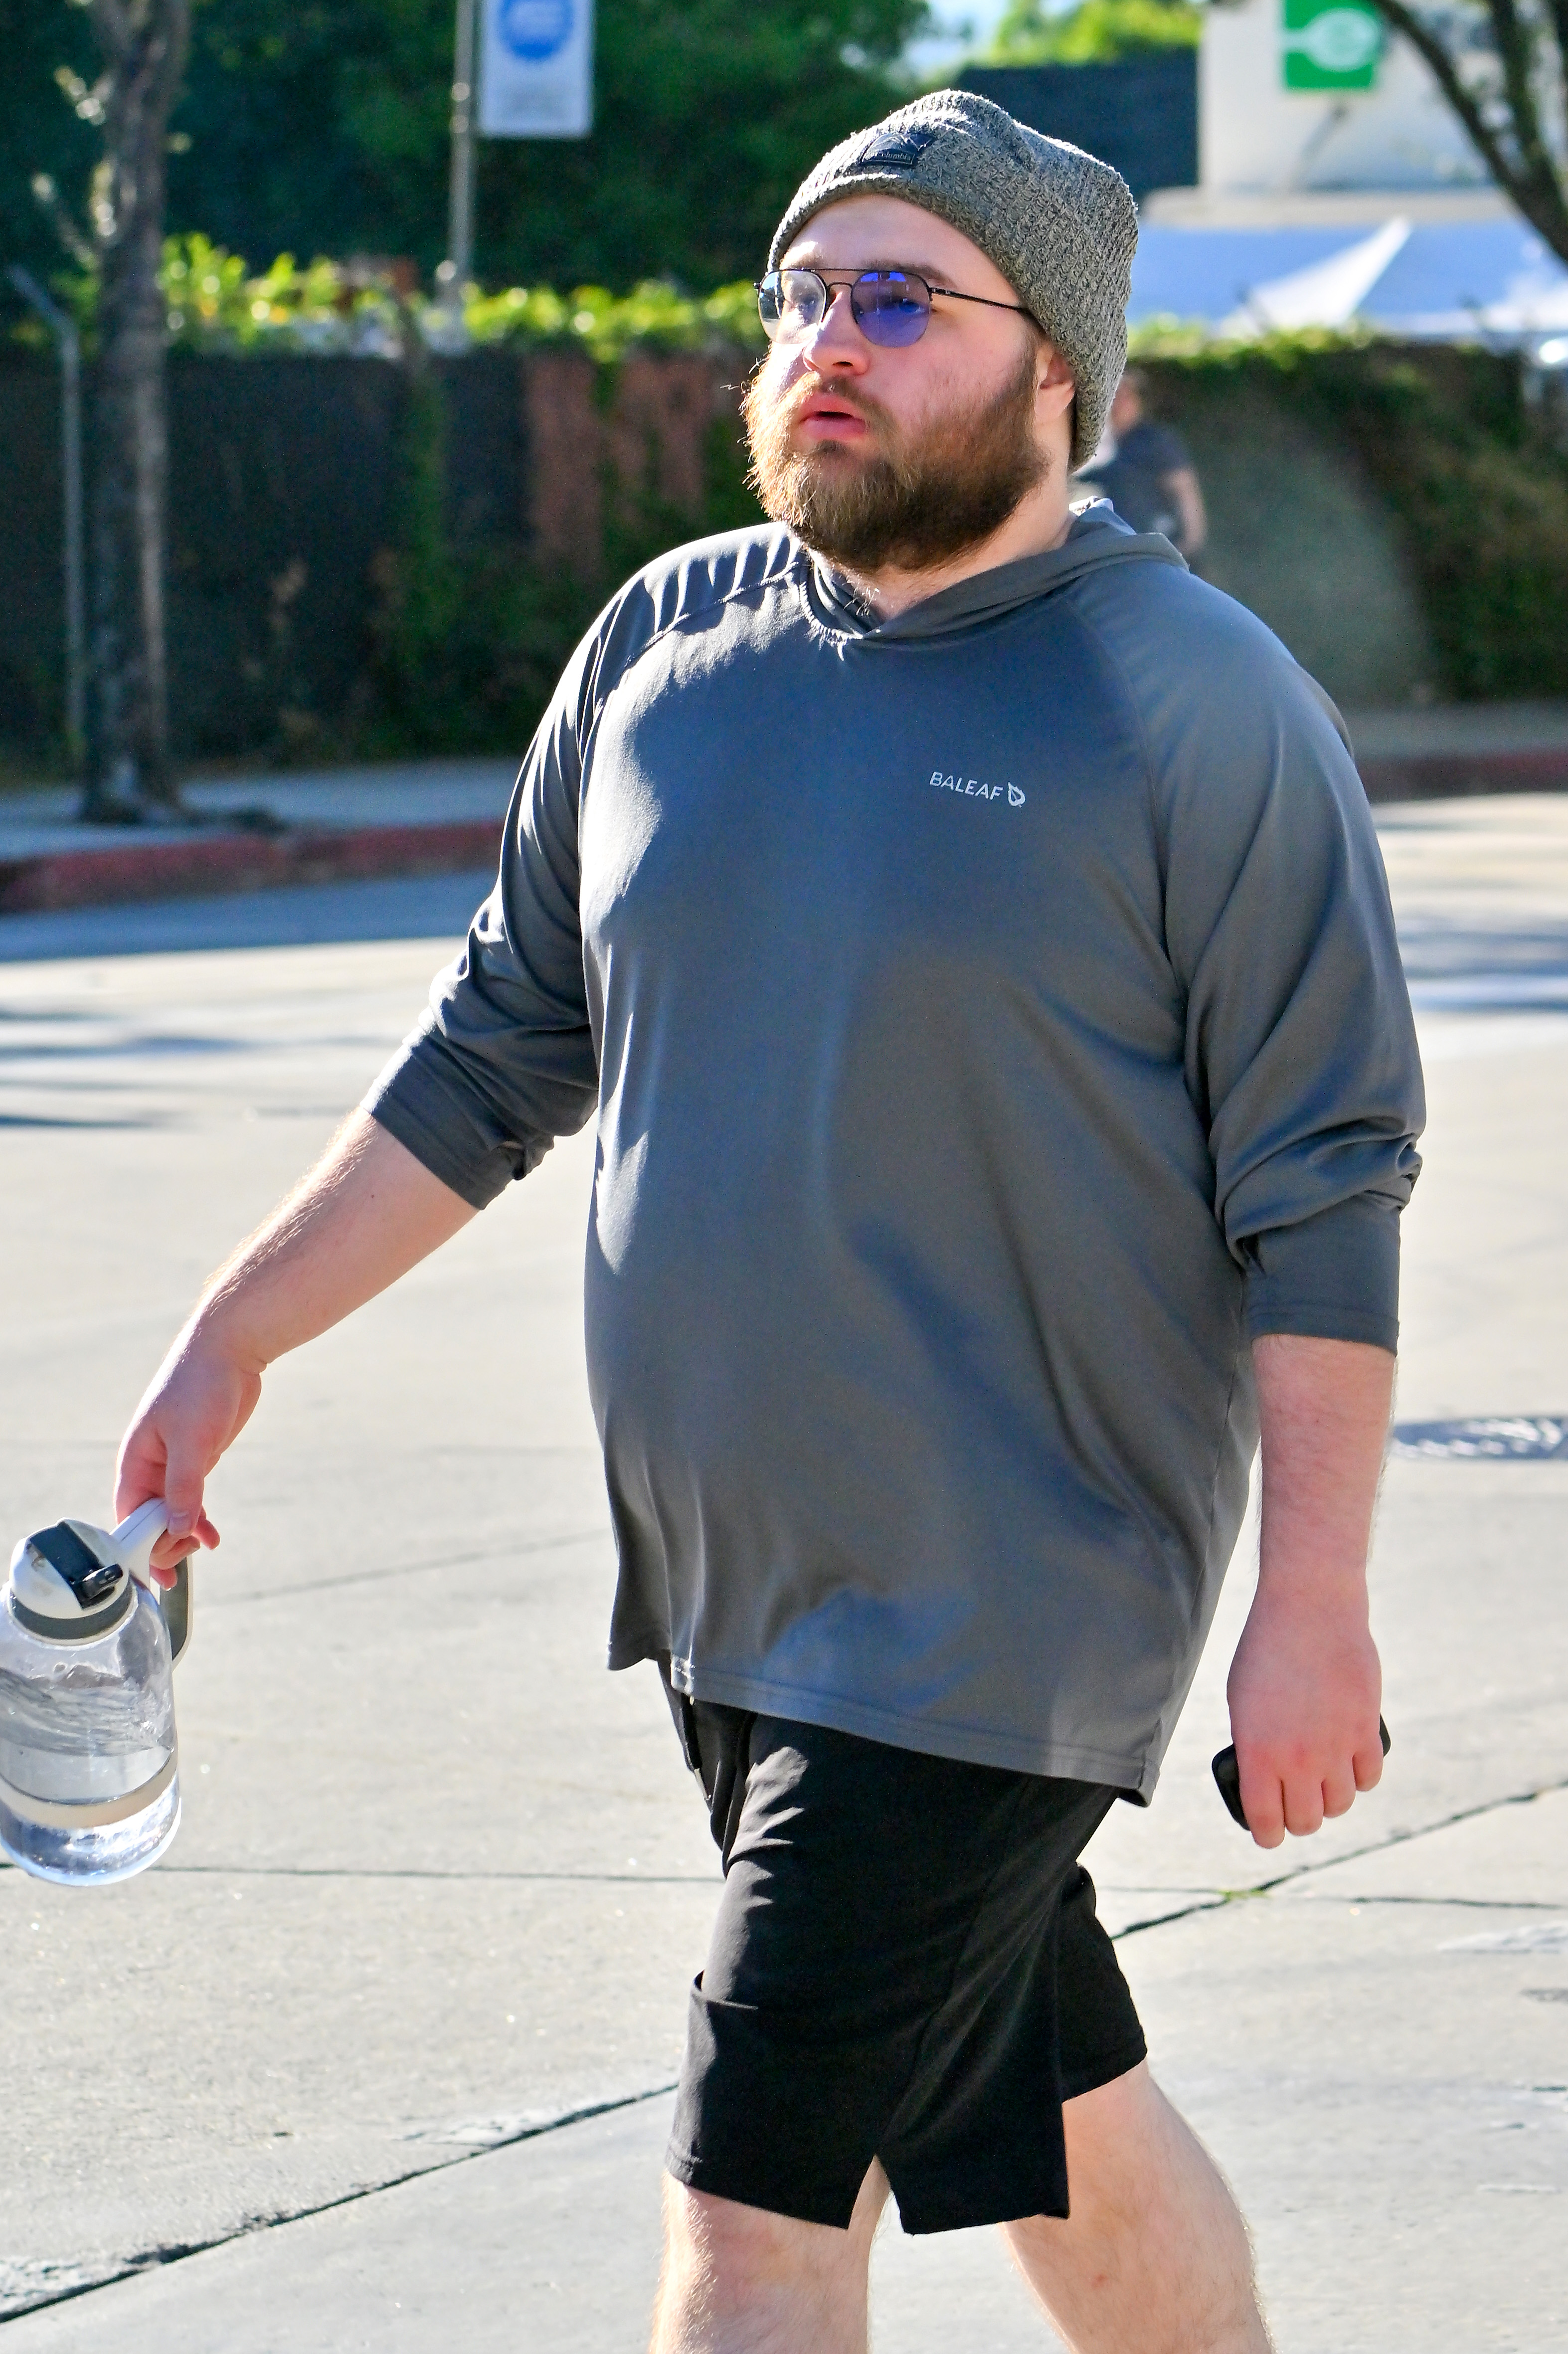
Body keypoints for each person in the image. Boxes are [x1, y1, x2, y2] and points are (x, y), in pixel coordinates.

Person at [117, 89, 1423, 2354]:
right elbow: (499, 1050)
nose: (825, 337)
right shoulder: (661, 654)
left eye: (896, 299)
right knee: (1051, 2112)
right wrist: (238, 1332)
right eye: (799, 294)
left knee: (750, 2213)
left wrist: (1307, 1604)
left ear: (1054, 372)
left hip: (1006, 1596)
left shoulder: (1194, 702)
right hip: (739, 1596)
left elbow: (1317, 1175)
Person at [1076, 364, 1208, 560]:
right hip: (1127, 549)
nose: (1117, 403)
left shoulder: (1154, 441)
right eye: (1113, 395)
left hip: (1161, 547)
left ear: (1139, 401)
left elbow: (1184, 488)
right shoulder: (1107, 445)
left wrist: (1191, 542)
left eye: (1125, 395)